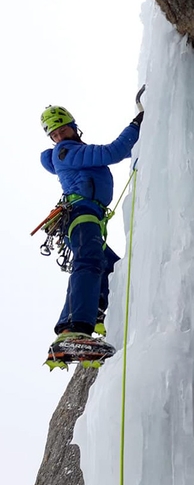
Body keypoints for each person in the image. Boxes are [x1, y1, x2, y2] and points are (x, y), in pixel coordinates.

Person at [40, 105, 143, 365]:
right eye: (54, 135)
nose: (59, 137)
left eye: (63, 130)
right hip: (80, 213)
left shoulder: (69, 153)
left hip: (87, 217)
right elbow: (113, 152)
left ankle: (94, 310)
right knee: (89, 261)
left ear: (73, 128)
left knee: (112, 268)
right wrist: (137, 125)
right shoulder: (67, 152)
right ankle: (72, 328)